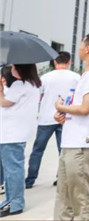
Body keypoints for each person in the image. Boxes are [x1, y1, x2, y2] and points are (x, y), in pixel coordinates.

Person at [53, 33, 89, 221]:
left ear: (87, 49)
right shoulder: (87, 75)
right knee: (65, 197)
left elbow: (85, 108)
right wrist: (64, 114)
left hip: (81, 144)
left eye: (81, 45)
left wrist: (61, 107)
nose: (78, 48)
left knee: (81, 198)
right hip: (72, 142)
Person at [25, 52, 79, 189]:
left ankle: (30, 179)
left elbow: (38, 96)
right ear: (69, 62)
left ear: (54, 62)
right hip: (66, 118)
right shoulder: (76, 78)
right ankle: (61, 178)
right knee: (63, 150)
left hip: (46, 118)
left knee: (38, 150)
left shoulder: (45, 77)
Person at [0, 64, 41, 217]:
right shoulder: (33, 84)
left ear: (21, 68)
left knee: (12, 170)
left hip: (12, 133)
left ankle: (15, 203)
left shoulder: (20, 85)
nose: (11, 69)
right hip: (17, 132)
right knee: (12, 169)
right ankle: (11, 200)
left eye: (14, 67)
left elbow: (4, 102)